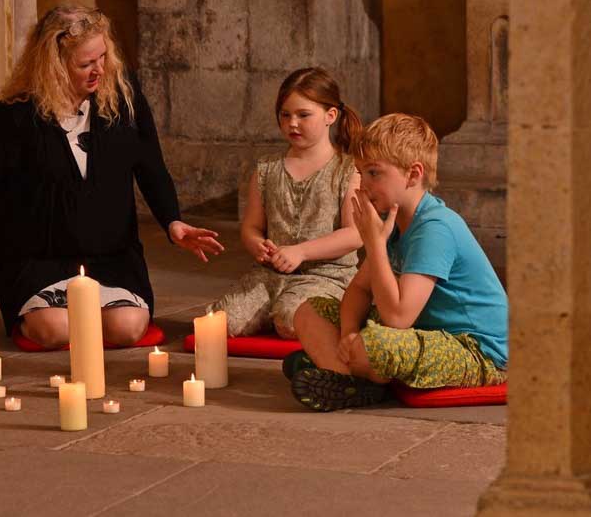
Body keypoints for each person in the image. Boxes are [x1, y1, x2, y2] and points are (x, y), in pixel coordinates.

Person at [0, 5, 223, 348]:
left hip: (111, 258)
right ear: (53, 66)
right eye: (86, 64)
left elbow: (151, 167)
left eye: (103, 57)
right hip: (39, 260)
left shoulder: (124, 100)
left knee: (126, 328)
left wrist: (172, 222)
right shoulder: (13, 116)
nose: (100, 69)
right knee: (55, 331)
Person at [287, 114, 509, 411]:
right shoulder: (394, 220)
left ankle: (341, 371)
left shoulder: (434, 228)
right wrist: (348, 335)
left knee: (376, 344)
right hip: (425, 332)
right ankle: (350, 378)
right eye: (360, 173)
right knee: (306, 311)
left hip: (475, 350)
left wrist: (374, 243)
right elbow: (359, 291)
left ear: (413, 175)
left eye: (374, 173)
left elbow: (398, 318)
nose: (363, 184)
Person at [212, 67, 363, 339]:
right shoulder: (267, 169)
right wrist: (257, 244)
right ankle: (273, 307)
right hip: (269, 276)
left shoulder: (347, 170)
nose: (292, 123)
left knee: (291, 321)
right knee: (221, 323)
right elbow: (251, 227)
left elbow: (355, 234)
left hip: (325, 276)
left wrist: (302, 252)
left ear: (331, 116)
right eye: (285, 115)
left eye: (303, 115)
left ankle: (310, 311)